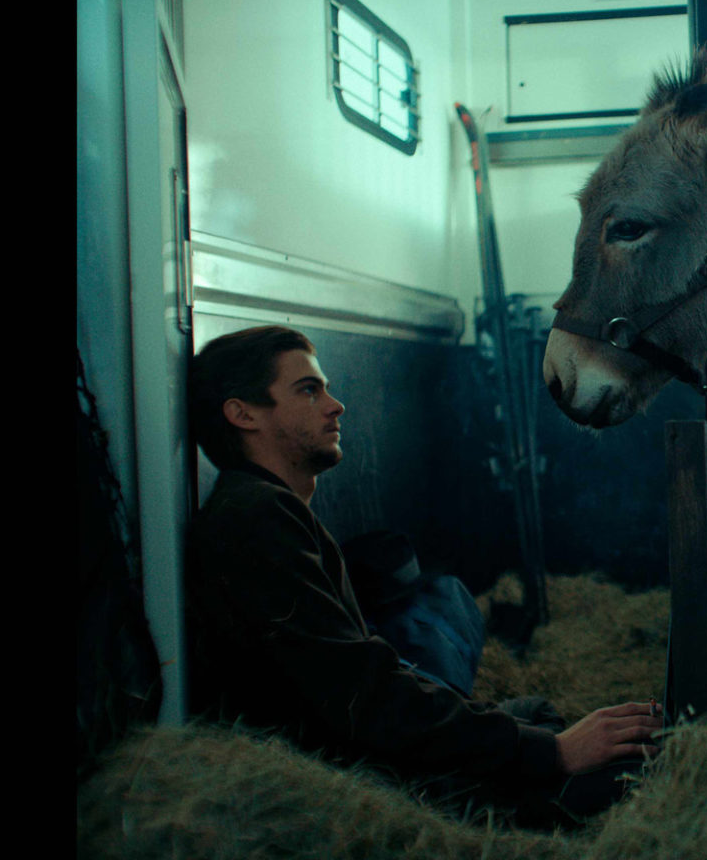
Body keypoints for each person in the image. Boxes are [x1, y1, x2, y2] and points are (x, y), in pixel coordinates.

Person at [184, 325, 661, 827]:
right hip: (359, 789)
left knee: (537, 713)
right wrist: (553, 753)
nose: (335, 406)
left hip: (371, 758)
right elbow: (362, 696)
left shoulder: (266, 508)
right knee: (620, 769)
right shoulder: (256, 518)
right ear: (243, 414)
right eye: (308, 390)